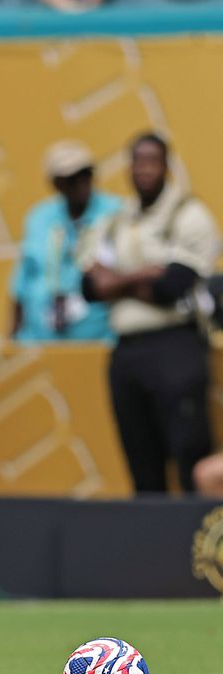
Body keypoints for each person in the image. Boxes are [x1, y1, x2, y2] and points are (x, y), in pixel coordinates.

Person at [82, 132, 219, 494]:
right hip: (126, 350)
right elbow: (89, 287)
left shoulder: (188, 214)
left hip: (174, 345)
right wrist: (144, 273)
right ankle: (150, 545)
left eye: (152, 161)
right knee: (142, 464)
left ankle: (196, 548)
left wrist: (116, 281)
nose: (144, 169)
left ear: (167, 166)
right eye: (137, 161)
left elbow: (171, 288)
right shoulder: (115, 222)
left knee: (190, 456)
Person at [11, 140, 120, 343]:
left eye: (86, 174)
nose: (81, 183)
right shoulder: (39, 217)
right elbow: (21, 282)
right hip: (39, 340)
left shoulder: (115, 213)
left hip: (100, 340)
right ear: (56, 183)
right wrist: (12, 338)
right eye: (71, 178)